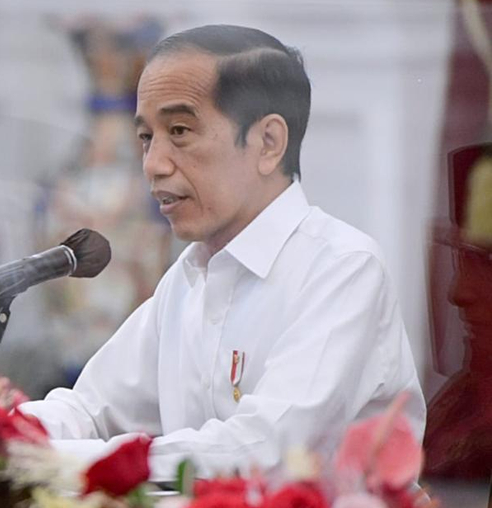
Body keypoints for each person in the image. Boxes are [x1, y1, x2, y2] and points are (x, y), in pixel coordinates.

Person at [22, 24, 425, 481]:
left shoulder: (344, 269)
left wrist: (70, 461)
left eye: (179, 131)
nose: (153, 164)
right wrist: (0, 435)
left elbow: (265, 452)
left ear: (269, 143)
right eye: (146, 138)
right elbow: (89, 410)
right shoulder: (189, 275)